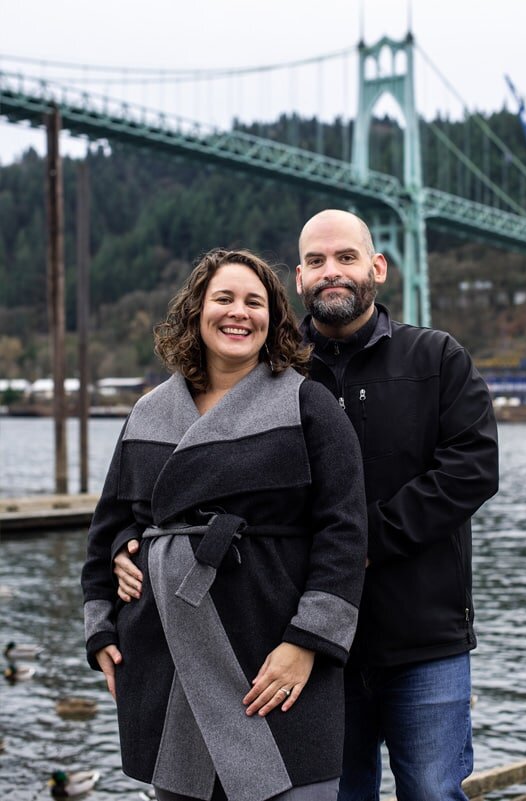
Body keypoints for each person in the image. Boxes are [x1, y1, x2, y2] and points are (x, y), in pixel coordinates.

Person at [116, 211, 501, 801]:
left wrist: (361, 543)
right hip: (301, 643)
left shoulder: (438, 358)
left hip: (422, 637)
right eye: (317, 262)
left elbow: (471, 471)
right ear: (298, 279)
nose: (332, 272)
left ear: (377, 267)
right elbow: (182, 487)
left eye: (346, 258)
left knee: (432, 791)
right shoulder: (267, 373)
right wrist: (132, 547)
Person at [82, 248, 368, 801]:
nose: (239, 312)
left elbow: (345, 532)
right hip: (168, 666)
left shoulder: (308, 406)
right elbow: (109, 526)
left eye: (255, 302)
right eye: (224, 299)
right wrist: (102, 633)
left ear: (274, 319)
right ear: (196, 311)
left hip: (275, 664)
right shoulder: (149, 412)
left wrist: (306, 643)